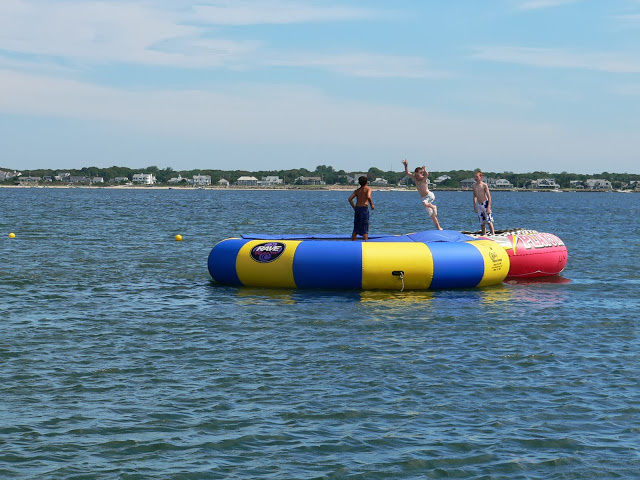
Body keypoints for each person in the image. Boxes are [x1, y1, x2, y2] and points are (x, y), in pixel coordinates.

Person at [401, 159, 443, 230]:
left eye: (418, 175)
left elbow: (427, 174)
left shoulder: (424, 179)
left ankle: (434, 206)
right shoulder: (415, 179)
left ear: (421, 174)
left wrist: (424, 170)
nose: (416, 177)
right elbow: (407, 173)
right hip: (424, 198)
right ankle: (439, 228)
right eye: (415, 175)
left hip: (429, 196)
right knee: (432, 216)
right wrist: (406, 165)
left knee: (424, 203)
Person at [348, 176, 375, 240]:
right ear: (366, 182)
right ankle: (365, 242)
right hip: (364, 208)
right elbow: (368, 196)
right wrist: (372, 205)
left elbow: (350, 199)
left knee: (356, 228)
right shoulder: (368, 189)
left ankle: (353, 241)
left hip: (357, 208)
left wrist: (354, 207)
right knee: (365, 228)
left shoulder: (357, 191)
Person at [472, 170, 495, 235]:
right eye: (475, 177)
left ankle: (493, 233)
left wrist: (488, 207)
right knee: (482, 221)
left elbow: (489, 196)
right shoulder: (474, 186)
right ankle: (484, 234)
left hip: (485, 203)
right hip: (479, 204)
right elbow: (475, 196)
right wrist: (475, 206)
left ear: (481, 177)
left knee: (489, 220)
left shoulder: (484, 185)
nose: (475, 178)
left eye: (477, 176)